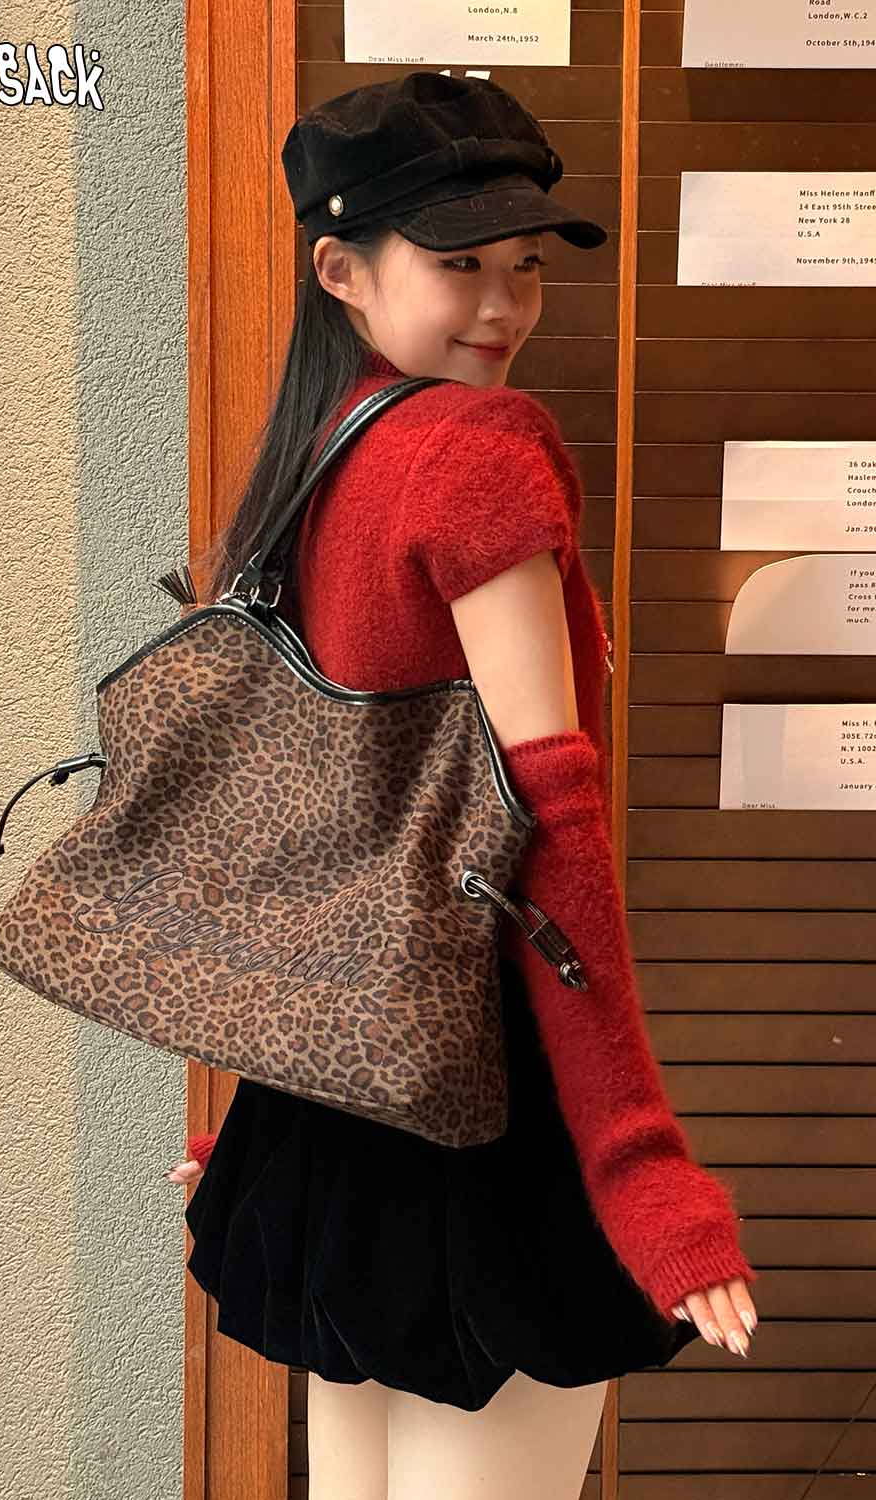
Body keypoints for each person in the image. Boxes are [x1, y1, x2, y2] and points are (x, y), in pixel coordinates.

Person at [168, 72, 759, 1498]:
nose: (501, 307)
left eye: (524, 270)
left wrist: (268, 1111)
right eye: (457, 265)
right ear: (340, 268)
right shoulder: (479, 454)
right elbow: (553, 830)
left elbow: (315, 828)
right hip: (486, 1098)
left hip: (345, 1095)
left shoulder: (318, 462)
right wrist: (645, 1175)